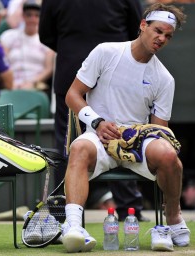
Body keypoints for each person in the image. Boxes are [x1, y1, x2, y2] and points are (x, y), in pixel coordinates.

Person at [61, 3, 190, 253]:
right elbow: (73, 95)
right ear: (143, 25)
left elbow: (159, 129)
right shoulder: (105, 52)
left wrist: (138, 137)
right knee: (78, 149)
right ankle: (74, 227)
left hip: (137, 141)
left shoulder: (165, 79)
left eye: (168, 36)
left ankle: (173, 217)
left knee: (168, 154)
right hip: (98, 134)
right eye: (158, 31)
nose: (161, 38)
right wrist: (97, 122)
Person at [39, 0, 148, 221]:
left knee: (67, 143)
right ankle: (130, 210)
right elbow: (136, 29)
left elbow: (46, 34)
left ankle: (62, 210)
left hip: (72, 69)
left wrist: (75, 49)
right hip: (114, 73)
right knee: (121, 135)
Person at [0, 0, 54, 91]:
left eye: (37, 16)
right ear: (23, 16)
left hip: (36, 87)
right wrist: (10, 82)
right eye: (29, 15)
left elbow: (48, 69)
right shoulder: (8, 36)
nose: (32, 19)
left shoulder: (46, 40)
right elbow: (3, 62)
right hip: (11, 85)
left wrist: (32, 82)